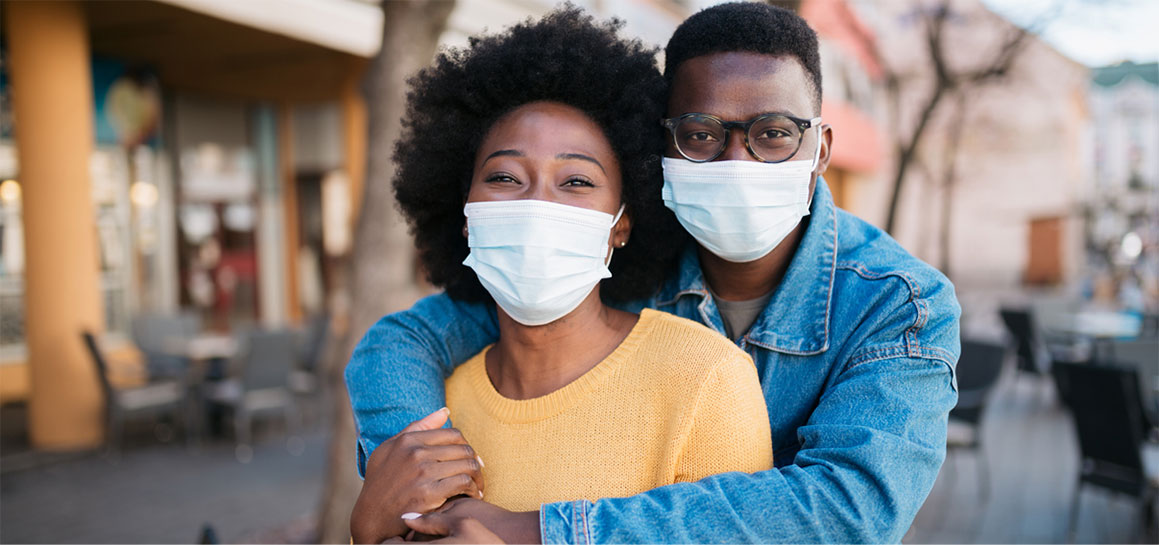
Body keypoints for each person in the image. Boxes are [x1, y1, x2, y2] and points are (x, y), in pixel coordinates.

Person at [347, 2, 961, 543]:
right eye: (702, 134)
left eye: (774, 135)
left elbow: (848, 509)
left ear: (821, 149)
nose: (737, 161)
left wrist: (538, 530)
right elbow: (411, 338)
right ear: (662, 148)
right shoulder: (602, 264)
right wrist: (416, 483)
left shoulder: (900, 303)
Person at [348, 7, 773, 543]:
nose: (537, 203)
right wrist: (364, 531)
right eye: (504, 176)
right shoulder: (434, 410)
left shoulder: (706, 381)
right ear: (465, 212)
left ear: (622, 222)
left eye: (575, 181)